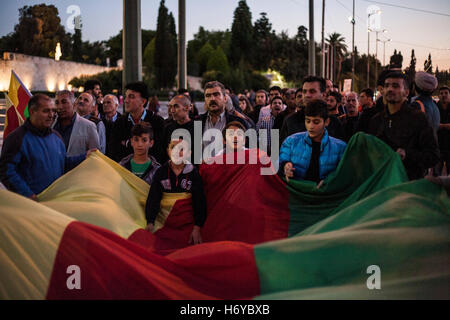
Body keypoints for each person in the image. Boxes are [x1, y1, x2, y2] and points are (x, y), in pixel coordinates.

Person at [0, 94, 94, 199]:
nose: (52, 115)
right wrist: (27, 194)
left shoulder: (57, 137)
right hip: (28, 206)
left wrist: (85, 156)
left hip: (55, 201)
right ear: (32, 112)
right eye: (46, 111)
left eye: (53, 111)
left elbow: (62, 163)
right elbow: (6, 171)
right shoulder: (17, 138)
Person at [368, 72, 439, 180]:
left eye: (395, 86)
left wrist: (407, 155)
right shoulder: (376, 120)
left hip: (408, 186)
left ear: (406, 92)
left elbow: (433, 156)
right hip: (382, 184)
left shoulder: (418, 119)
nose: (390, 89)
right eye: (387, 86)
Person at [145, 139, 207, 245]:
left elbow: (200, 202)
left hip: (187, 226)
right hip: (163, 225)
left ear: (189, 153)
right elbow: (153, 198)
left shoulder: (194, 173)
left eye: (182, 149)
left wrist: (197, 227)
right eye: (173, 147)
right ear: (168, 151)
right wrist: (150, 222)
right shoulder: (160, 172)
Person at [279, 99, 346, 186]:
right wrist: (285, 166)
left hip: (325, 195)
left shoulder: (340, 147)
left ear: (326, 122)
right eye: (308, 121)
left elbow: (343, 174)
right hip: (296, 192)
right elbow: (281, 160)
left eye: (316, 122)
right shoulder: (291, 141)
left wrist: (329, 181)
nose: (311, 126)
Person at [111, 81, 165, 163]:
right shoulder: (119, 122)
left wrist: (127, 143)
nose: (126, 100)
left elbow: (158, 151)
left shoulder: (157, 122)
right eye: (126, 96)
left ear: (143, 101)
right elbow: (114, 151)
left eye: (131, 97)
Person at [280, 76, 327, 144]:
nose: (307, 95)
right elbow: (278, 149)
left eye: (312, 91)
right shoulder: (290, 120)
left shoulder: (333, 122)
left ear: (323, 95)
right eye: (304, 91)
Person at [54, 90, 100, 156]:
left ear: (74, 104)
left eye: (64, 102)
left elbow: (95, 155)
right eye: (57, 103)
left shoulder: (89, 126)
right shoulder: (51, 124)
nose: (60, 107)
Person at [162, 94, 196, 164]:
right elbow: (164, 154)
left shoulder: (197, 127)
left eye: (176, 106)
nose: (172, 110)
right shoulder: (168, 127)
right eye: (170, 107)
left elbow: (197, 157)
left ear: (186, 108)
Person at [101, 94, 122, 158]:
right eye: (103, 103)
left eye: (108, 102)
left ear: (116, 105)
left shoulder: (123, 121)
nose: (105, 105)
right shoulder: (99, 121)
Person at [436, 86, 450, 175]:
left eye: (446, 93)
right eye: (441, 93)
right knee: (436, 173)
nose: (443, 95)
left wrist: (440, 126)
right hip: (438, 145)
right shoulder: (435, 108)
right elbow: (432, 125)